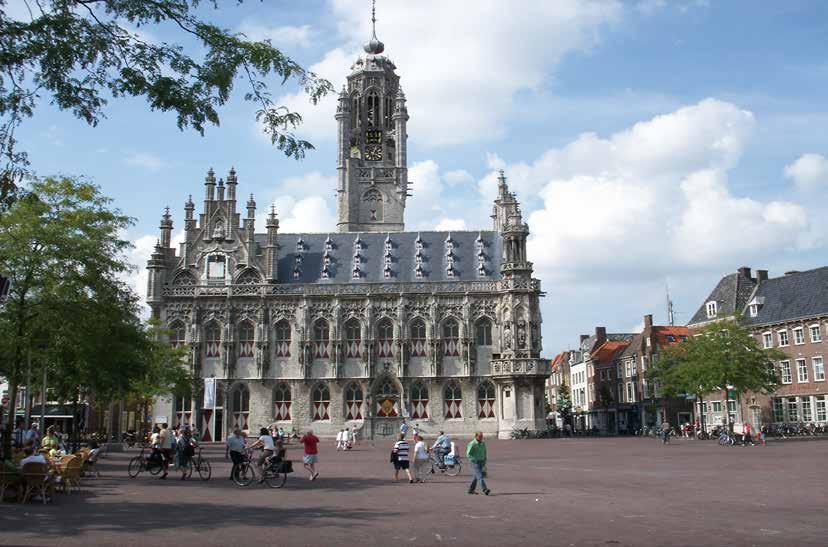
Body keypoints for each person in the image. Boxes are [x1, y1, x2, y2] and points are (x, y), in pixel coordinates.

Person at [466, 431, 490, 495]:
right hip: (475, 462)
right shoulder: (472, 444)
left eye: (482, 436)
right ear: (476, 436)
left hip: (482, 461)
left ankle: (471, 490)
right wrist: (474, 460)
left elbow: (484, 451)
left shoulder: (483, 443)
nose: (481, 437)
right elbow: (468, 454)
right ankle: (485, 489)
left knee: (476, 477)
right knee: (480, 476)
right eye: (480, 436)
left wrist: (485, 459)